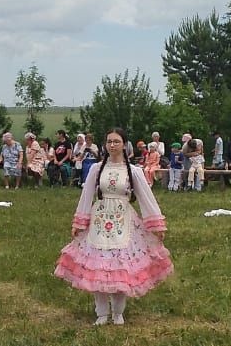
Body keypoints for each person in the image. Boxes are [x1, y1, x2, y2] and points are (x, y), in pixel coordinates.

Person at [54, 127, 173, 325]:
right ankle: (101, 313)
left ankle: (118, 313)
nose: (112, 145)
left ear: (124, 144)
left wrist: (156, 224)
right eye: (109, 141)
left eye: (116, 141)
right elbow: (86, 196)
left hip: (123, 220)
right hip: (100, 220)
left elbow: (146, 197)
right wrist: (79, 221)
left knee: (120, 265)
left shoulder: (133, 171)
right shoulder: (96, 168)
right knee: (98, 265)